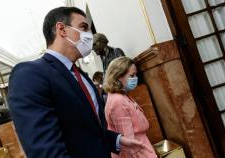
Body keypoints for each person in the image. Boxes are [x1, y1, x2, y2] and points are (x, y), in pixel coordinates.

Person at [8, 7, 146, 158]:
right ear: (62, 29)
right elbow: (46, 151)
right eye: (84, 27)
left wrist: (117, 140)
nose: (90, 36)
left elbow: (86, 129)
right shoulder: (30, 74)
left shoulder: (81, 75)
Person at [103, 57, 157, 158]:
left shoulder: (122, 95)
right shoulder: (118, 101)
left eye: (135, 74)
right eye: (132, 75)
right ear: (118, 76)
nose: (135, 78)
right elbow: (129, 145)